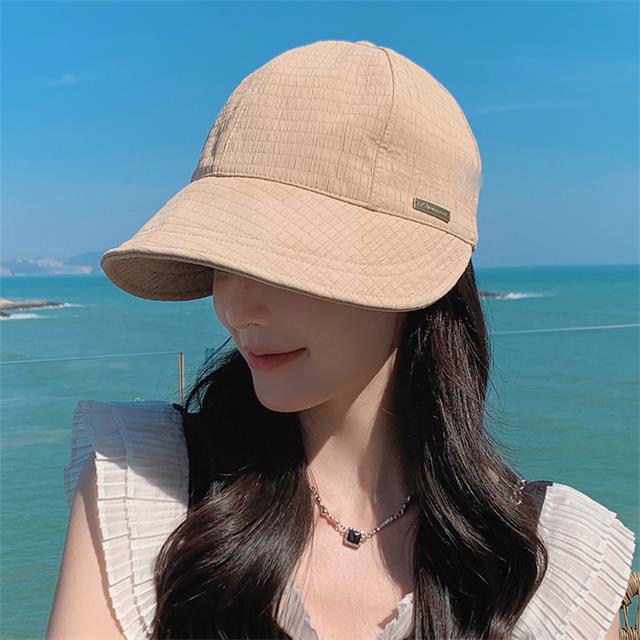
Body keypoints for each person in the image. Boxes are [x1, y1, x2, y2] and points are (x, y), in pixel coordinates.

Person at [46, 39, 635, 640]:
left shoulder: (549, 572)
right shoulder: (146, 495)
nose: (233, 309)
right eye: (220, 261)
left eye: (282, 260)